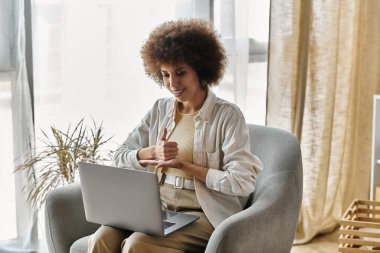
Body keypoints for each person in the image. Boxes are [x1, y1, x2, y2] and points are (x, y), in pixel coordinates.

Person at [88, 18, 263, 253]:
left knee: (137, 245)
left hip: (202, 213)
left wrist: (187, 166)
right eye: (165, 75)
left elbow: (242, 182)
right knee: (101, 238)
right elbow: (119, 156)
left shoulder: (228, 116)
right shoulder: (159, 109)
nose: (173, 84)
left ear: (200, 70)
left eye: (181, 73)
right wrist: (150, 152)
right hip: (155, 208)